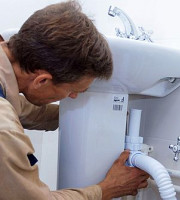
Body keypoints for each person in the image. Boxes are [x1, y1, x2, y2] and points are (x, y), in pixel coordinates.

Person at [0, 1, 149, 200]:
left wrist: (91, 115)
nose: (73, 97)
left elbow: (22, 110)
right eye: (72, 90)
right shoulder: (5, 129)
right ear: (42, 80)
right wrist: (107, 189)